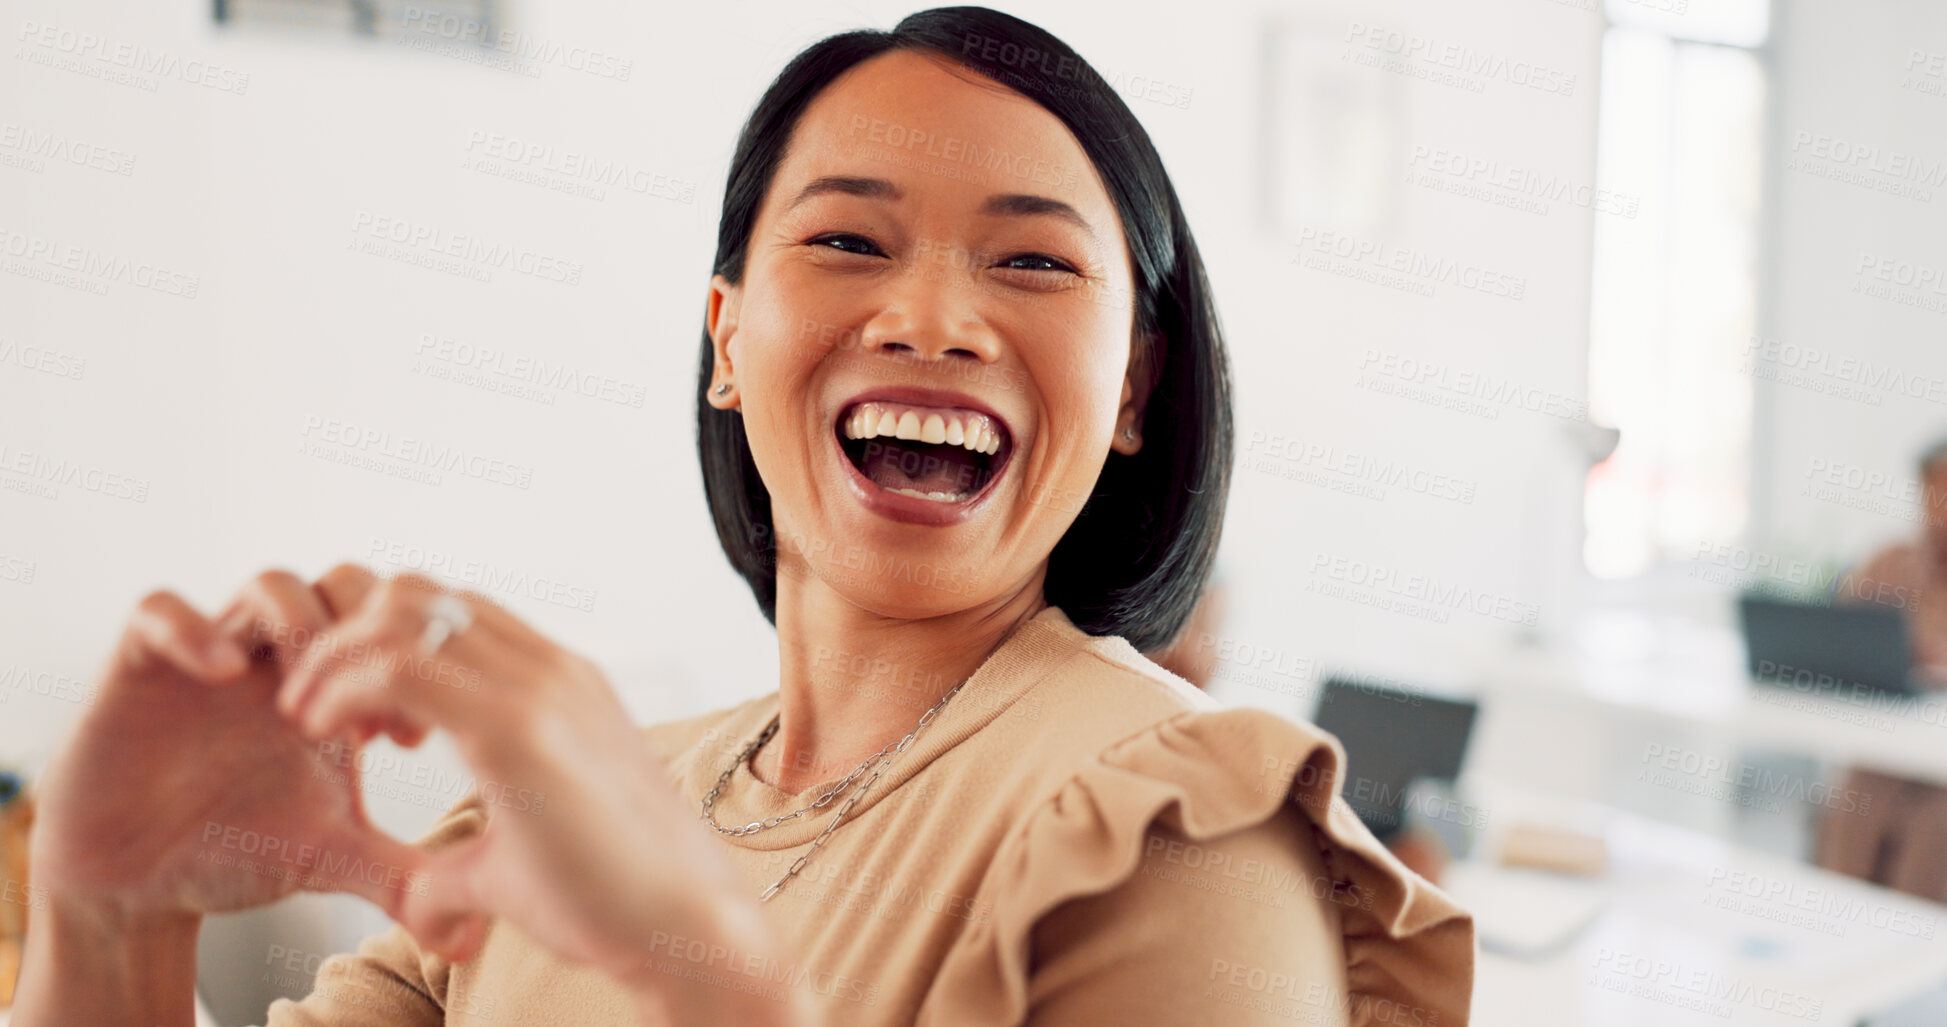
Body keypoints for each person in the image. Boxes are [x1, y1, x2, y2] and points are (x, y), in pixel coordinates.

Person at [13, 9, 1473, 1025]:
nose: (930, 316)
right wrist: (111, 914)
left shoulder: (1185, 828)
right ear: (724, 337)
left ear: (1136, 384)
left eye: (1030, 263)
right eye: (845, 239)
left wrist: (699, 965)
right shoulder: (563, 814)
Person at [1815, 438, 1947, 901]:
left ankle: (1916, 956)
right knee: (1856, 795)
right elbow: (1837, 633)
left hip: (1940, 768)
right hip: (1888, 748)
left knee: (1935, 825)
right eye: (1933, 493)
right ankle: (1840, 932)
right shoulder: (1893, 561)